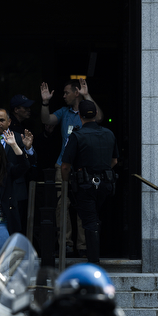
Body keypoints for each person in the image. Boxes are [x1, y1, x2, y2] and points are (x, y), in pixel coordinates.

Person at [40, 78, 104, 255]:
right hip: (63, 165)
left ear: (76, 92)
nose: (64, 95)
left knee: (84, 205)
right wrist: (45, 102)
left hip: (83, 167)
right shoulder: (64, 111)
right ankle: (65, 243)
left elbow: (99, 117)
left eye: (66, 92)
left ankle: (83, 245)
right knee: (62, 206)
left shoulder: (87, 112)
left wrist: (86, 95)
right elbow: (46, 119)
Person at [61, 100, 118, 263]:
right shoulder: (109, 134)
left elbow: (65, 166)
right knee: (97, 218)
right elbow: (114, 161)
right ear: (96, 115)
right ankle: (103, 252)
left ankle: (94, 261)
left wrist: (67, 184)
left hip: (85, 186)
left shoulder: (77, 136)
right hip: (106, 185)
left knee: (90, 221)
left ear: (79, 115)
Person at [0, 108, 36, 232]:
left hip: (15, 192)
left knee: (15, 229)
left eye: (2, 120)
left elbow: (31, 163)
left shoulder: (19, 138)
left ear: (9, 121)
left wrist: (28, 148)